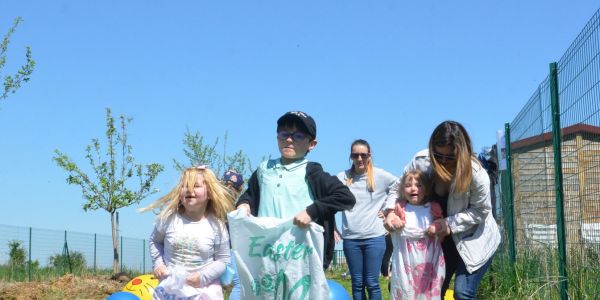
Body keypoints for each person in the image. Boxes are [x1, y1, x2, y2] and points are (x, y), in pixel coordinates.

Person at [384, 120, 501, 300]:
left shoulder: (476, 174)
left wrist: (447, 224)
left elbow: (481, 211)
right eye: (438, 156)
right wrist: (391, 211)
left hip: (474, 237)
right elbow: (397, 188)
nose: (444, 162)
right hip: (438, 240)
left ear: (462, 153)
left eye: (451, 157)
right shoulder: (421, 162)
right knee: (428, 290)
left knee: (463, 292)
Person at [236, 110, 356, 270]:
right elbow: (251, 194)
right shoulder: (264, 169)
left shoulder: (312, 171)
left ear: (311, 144)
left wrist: (312, 212)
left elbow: (345, 197)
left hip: (300, 254)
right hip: (266, 252)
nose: (289, 140)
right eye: (284, 134)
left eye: (298, 136)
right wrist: (244, 203)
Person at [141, 166, 234, 299]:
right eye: (185, 186)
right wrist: (159, 264)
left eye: (196, 186)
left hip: (203, 290)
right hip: (171, 288)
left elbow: (223, 260)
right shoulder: (168, 219)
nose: (190, 190)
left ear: (210, 193)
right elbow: (155, 241)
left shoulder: (217, 226)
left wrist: (203, 277)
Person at [337, 139, 397, 300]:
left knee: (372, 282)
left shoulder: (380, 175)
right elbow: (327, 198)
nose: (359, 159)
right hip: (351, 239)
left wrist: (388, 209)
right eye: (355, 155)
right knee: (357, 283)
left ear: (369, 156)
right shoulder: (342, 177)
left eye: (363, 155)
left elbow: (399, 186)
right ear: (351, 156)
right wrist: (333, 229)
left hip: (375, 238)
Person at [389, 170, 445, 300]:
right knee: (405, 290)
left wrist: (435, 227)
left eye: (419, 185)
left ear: (426, 190)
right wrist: (395, 221)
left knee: (428, 293)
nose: (413, 189)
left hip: (429, 260)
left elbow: (441, 225)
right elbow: (391, 224)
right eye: (408, 185)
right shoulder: (401, 208)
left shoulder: (433, 208)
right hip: (405, 260)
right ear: (403, 190)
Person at [220, 169, 244, 300]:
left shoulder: (213, 203)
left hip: (209, 251)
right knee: (239, 285)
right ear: (240, 188)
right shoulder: (235, 207)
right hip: (227, 250)